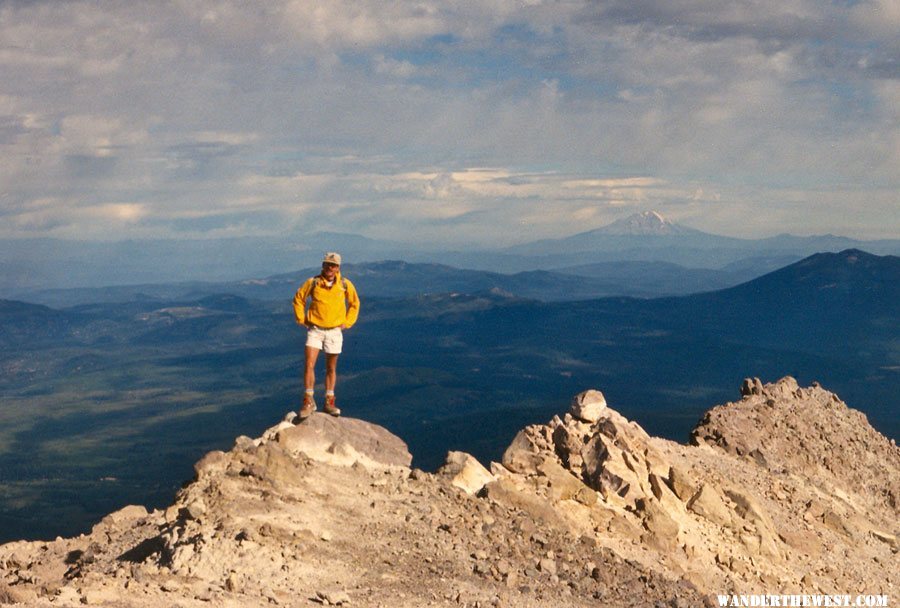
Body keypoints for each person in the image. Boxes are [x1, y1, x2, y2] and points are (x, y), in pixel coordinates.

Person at [292, 252, 360, 418]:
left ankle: (329, 400)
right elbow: (299, 299)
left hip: (334, 331)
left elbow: (354, 303)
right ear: (323, 265)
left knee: (331, 367)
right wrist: (302, 319)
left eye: (334, 265)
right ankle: (308, 400)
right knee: (309, 364)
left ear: (338, 268)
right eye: (328, 264)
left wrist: (347, 322)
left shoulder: (344, 284)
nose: (330, 268)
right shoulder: (313, 282)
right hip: (315, 329)